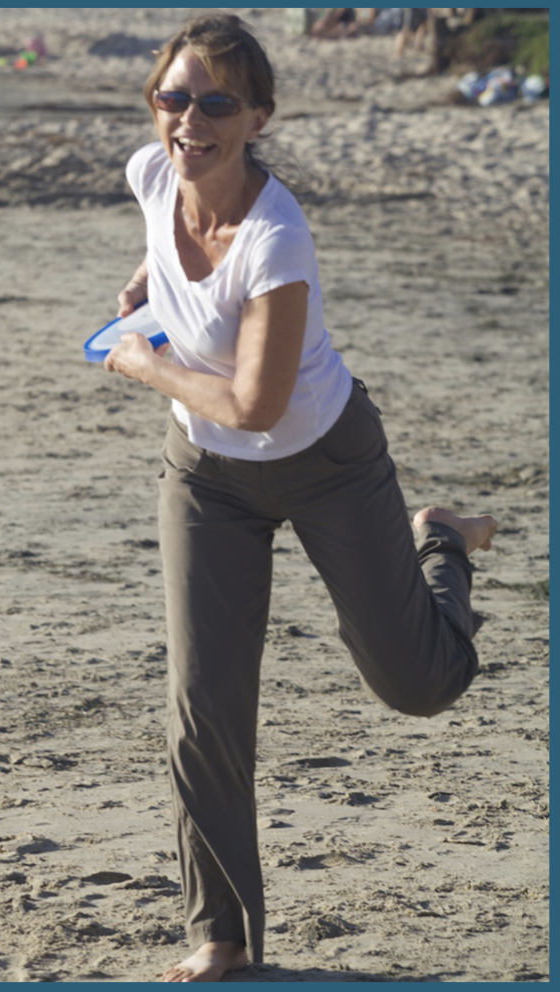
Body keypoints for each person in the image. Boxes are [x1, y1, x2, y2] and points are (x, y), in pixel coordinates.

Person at [102, 13, 497, 983]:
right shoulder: (155, 171)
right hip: (206, 477)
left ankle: (441, 541)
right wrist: (150, 279)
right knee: (204, 702)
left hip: (325, 456)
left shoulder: (279, 238)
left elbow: (255, 401)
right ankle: (222, 933)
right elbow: (166, 227)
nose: (188, 119)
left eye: (215, 102)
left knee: (420, 684)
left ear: (257, 117)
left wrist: (145, 364)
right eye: (173, 96)